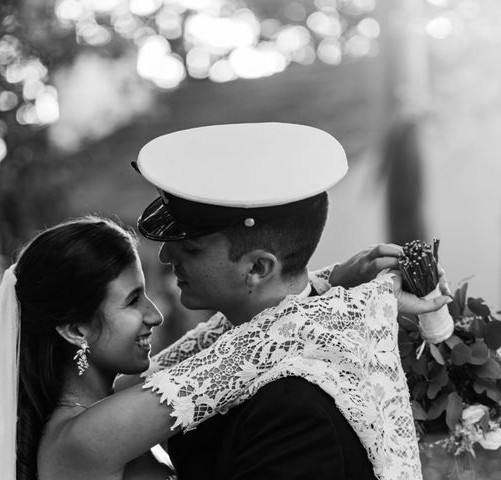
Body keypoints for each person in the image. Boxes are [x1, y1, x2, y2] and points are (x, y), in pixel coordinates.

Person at [132, 122, 451, 480]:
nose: (165, 258)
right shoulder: (239, 342)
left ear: (257, 267)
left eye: (190, 248)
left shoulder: (291, 408)